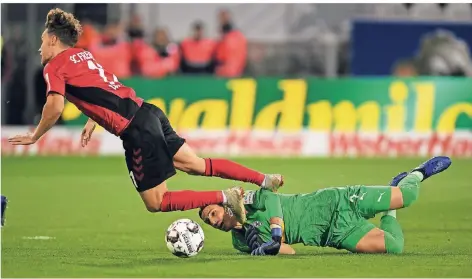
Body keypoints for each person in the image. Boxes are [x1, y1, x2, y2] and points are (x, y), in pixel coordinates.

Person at [7, 8, 284, 223]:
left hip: (136, 130)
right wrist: (95, 119)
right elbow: (104, 87)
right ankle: (263, 179)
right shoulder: (83, 55)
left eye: (42, 41)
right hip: (149, 112)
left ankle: (226, 196)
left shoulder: (54, 66)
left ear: (54, 39)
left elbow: (54, 107)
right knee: (197, 164)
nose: (39, 47)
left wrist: (35, 136)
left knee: (156, 201)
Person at [199, 156, 451, 255]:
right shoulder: (239, 242)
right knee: (394, 247)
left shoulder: (249, 202)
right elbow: (290, 252)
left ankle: (416, 174)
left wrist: (275, 233)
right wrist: (264, 250)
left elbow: (272, 195)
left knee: (408, 198)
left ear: (224, 206)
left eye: (212, 212)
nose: (213, 220)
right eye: (208, 221)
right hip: (332, 234)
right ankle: (389, 205)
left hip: (335, 202)